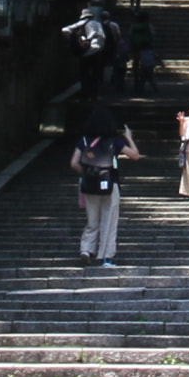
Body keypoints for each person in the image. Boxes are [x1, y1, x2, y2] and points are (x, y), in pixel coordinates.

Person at [71, 105, 140, 267]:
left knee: (92, 220)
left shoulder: (84, 141)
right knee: (109, 221)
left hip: (89, 186)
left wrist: (87, 174)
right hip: (110, 184)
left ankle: (86, 250)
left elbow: (73, 163)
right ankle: (106, 257)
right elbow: (135, 156)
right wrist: (129, 137)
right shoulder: (115, 142)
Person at [62, 5, 108, 97]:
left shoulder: (79, 24)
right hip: (96, 51)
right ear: (91, 16)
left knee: (84, 74)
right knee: (95, 73)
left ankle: (85, 92)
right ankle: (94, 93)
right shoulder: (97, 24)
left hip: (84, 52)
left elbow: (64, 30)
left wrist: (75, 38)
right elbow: (102, 37)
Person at [129, 9, 157, 93]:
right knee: (146, 65)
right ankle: (146, 81)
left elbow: (130, 35)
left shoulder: (133, 25)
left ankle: (136, 82)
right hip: (146, 47)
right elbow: (152, 36)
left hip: (136, 48)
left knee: (136, 64)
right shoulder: (148, 25)